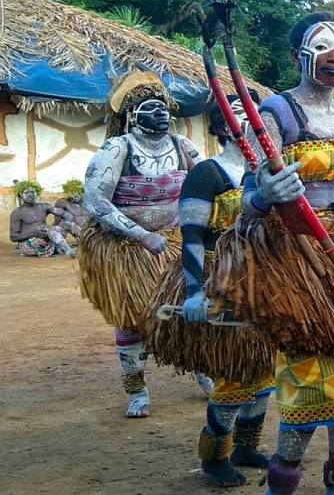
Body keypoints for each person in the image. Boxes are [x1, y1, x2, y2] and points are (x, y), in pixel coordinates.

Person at [215, 11, 334, 495]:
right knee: (307, 386)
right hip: (293, 260)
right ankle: (281, 482)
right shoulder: (278, 114)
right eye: (324, 46)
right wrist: (266, 194)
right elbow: (246, 203)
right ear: (297, 56)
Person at [144, 97, 276, 487]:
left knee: (264, 370)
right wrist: (194, 291)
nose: (254, 121)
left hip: (264, 285)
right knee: (234, 374)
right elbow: (192, 237)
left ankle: (246, 445)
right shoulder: (208, 172)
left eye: (257, 115)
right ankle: (214, 457)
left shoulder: (264, 171)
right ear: (222, 127)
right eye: (242, 115)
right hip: (219, 281)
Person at [80, 70, 206, 418]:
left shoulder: (184, 146)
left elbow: (206, 185)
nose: (161, 113)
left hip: (177, 242)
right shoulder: (116, 148)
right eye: (151, 107)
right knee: (133, 318)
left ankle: (203, 369)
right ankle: (137, 389)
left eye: (164, 107)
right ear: (131, 115)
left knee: (191, 309)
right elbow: (96, 201)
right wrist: (140, 235)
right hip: (128, 250)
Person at [9, 183, 76, 258]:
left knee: (70, 224)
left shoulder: (43, 206)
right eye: (26, 193)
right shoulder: (17, 212)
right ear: (21, 195)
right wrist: (33, 233)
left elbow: (65, 213)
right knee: (45, 228)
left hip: (49, 237)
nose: (30, 195)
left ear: (36, 194)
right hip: (31, 244)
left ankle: (87, 245)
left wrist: (68, 220)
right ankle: (68, 250)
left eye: (32, 192)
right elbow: (13, 237)